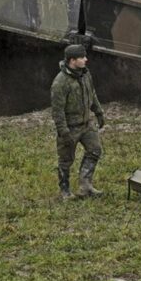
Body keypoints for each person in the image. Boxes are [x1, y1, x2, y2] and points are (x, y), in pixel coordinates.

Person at [50, 43, 105, 200]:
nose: (86, 59)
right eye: (82, 57)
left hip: (87, 124)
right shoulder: (60, 83)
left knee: (95, 150)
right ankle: (65, 191)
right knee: (65, 160)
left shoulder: (85, 74)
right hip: (70, 128)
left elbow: (92, 94)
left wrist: (99, 112)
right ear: (72, 60)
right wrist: (64, 132)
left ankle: (85, 186)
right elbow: (57, 111)